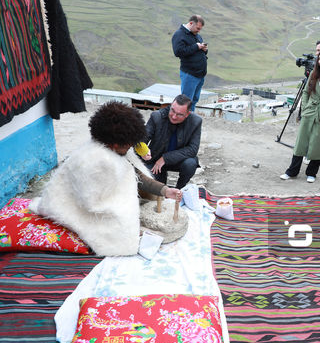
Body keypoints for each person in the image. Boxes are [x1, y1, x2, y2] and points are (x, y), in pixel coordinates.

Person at [30, 102, 182, 256]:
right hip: (73, 206)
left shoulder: (116, 150)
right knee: (122, 233)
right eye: (128, 145)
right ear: (116, 143)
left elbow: (136, 176)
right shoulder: (96, 160)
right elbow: (93, 204)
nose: (130, 148)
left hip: (91, 199)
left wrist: (164, 190)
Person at [280, 47, 320, 182]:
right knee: (301, 142)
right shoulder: (313, 73)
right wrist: (305, 107)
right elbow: (306, 92)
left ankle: (312, 172)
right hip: (309, 112)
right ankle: (292, 171)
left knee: (318, 144)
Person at [143, 94, 202, 190]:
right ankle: (163, 184)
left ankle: (180, 189)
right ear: (170, 106)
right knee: (157, 188)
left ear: (187, 114)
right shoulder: (157, 117)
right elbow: (142, 139)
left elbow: (193, 149)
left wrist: (165, 158)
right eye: (172, 111)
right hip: (155, 159)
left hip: (179, 161)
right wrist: (143, 151)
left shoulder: (195, 121)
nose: (174, 116)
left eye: (179, 114)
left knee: (190, 164)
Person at [172, 15, 208, 111]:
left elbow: (197, 51)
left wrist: (204, 49)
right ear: (191, 23)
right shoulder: (179, 35)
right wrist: (196, 47)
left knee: (194, 100)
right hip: (189, 74)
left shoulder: (196, 35)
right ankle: (184, 122)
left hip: (199, 75)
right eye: (198, 28)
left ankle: (190, 121)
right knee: (186, 102)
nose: (199, 31)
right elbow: (178, 52)